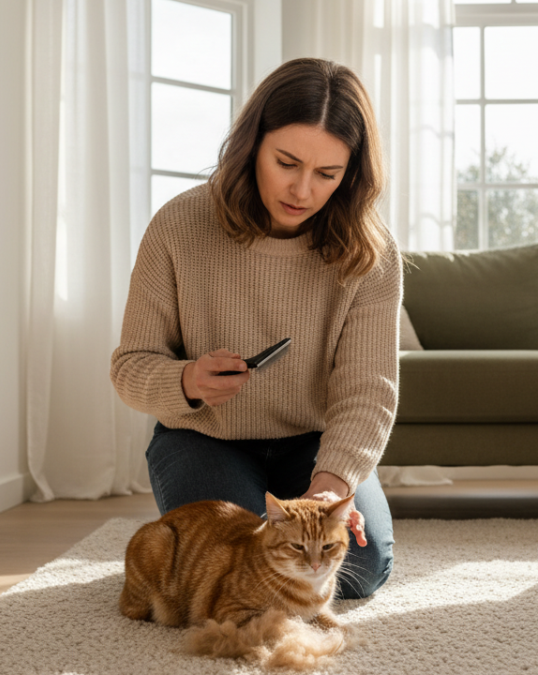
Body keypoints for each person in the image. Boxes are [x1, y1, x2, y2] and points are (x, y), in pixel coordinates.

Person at [110, 57, 401, 599]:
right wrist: (188, 382)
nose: (302, 190)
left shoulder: (371, 253)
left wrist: (333, 483)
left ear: (352, 175)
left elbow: (369, 391)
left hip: (313, 446)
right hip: (203, 440)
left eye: (327, 174)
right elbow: (130, 367)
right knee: (234, 568)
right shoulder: (179, 225)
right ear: (252, 146)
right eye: (286, 162)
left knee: (362, 567)